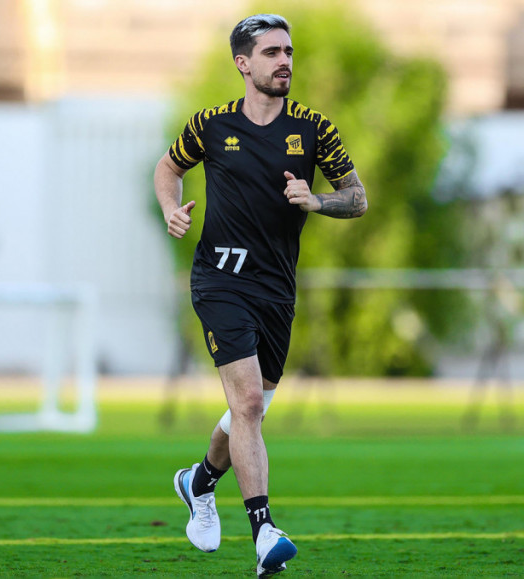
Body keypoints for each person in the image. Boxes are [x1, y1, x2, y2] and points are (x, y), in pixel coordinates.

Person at [153, 13, 367, 577]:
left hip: (277, 289)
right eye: (272, 53)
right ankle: (264, 532)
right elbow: (168, 168)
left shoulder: (315, 129)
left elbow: (357, 198)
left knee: (252, 408)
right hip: (220, 280)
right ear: (243, 63)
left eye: (289, 51)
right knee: (247, 403)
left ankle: (199, 481)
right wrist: (170, 208)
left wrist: (316, 200)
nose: (285, 61)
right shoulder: (211, 124)